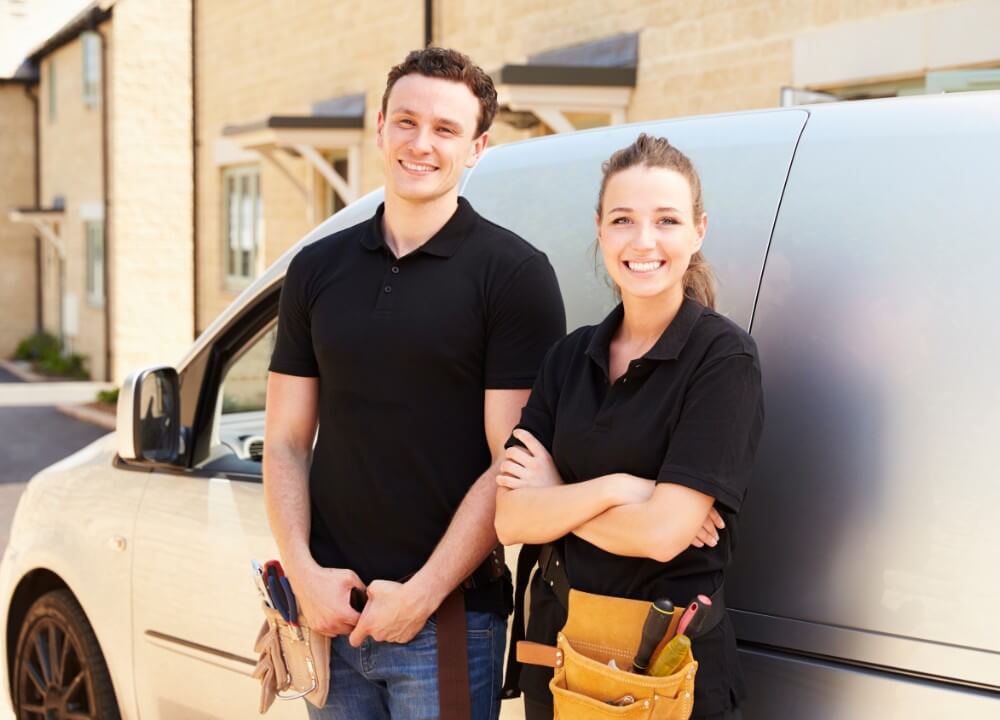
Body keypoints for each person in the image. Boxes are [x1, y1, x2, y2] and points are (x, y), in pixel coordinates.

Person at [263, 47, 566, 720]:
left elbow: (510, 463)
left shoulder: (513, 276)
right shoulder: (316, 269)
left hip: (450, 624)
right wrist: (305, 579)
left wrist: (422, 594)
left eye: (446, 129)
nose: (421, 143)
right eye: (406, 121)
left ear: (478, 147)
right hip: (332, 618)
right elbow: (284, 440)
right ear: (379, 127)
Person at [494, 134, 764, 720]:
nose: (644, 241)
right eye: (623, 220)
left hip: (666, 669)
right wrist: (622, 488)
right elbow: (512, 517)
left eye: (666, 220)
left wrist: (557, 499)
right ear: (600, 230)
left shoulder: (723, 360)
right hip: (559, 655)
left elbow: (664, 535)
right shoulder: (567, 359)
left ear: (698, 231)